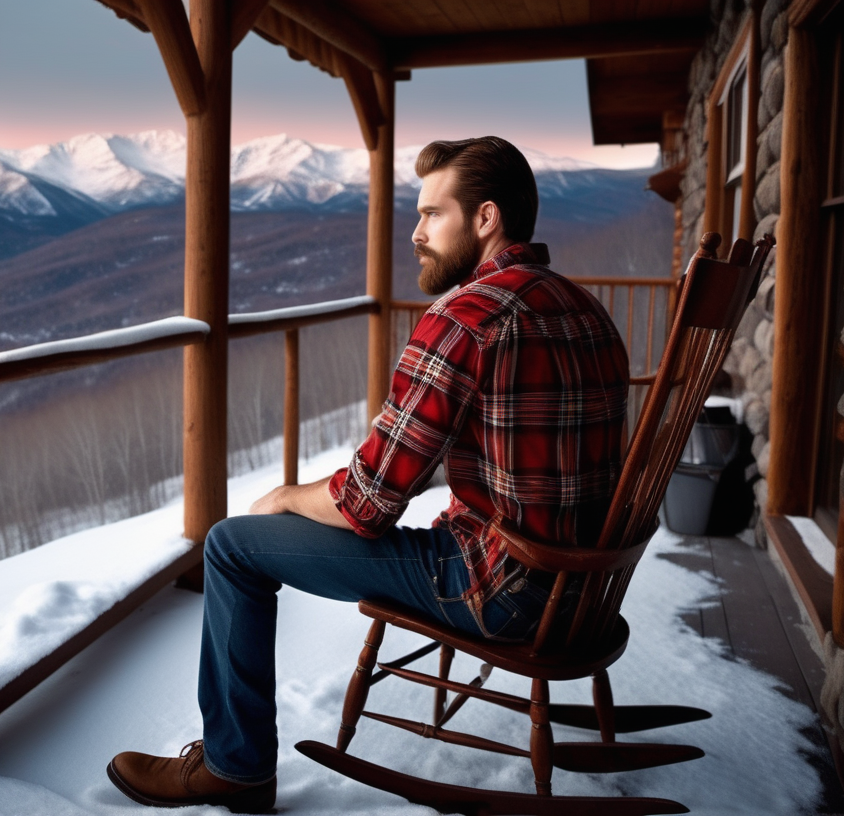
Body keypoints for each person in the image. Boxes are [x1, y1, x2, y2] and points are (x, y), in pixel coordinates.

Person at [105, 136, 630, 813]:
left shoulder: (466, 318)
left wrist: (284, 496)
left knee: (232, 545)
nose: (415, 234)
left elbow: (366, 503)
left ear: (486, 218)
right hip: (583, 589)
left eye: (431, 215)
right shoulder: (586, 310)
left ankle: (235, 769)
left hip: (502, 589)